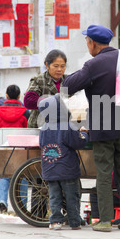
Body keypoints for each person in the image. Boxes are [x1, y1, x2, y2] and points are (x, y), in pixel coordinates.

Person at [62, 24, 120, 232]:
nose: (87, 46)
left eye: (87, 42)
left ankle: (105, 220)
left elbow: (67, 87)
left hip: (104, 127)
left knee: (104, 172)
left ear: (93, 43)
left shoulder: (93, 64)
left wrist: (81, 72)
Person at [38, 94, 89, 230]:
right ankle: (74, 221)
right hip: (68, 169)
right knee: (72, 196)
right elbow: (78, 142)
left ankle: (55, 221)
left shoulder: (43, 128)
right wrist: (84, 134)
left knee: (54, 196)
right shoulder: (68, 126)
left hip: (50, 169)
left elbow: (41, 145)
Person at [0, 85, 30, 213]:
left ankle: (2, 201)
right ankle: (22, 205)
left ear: (6, 96)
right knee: (23, 175)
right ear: (19, 96)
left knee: (5, 175)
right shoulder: (25, 111)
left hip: (4, 148)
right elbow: (28, 129)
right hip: (20, 148)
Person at [24, 49, 67, 128]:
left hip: (62, 125)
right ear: (47, 65)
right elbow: (28, 100)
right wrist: (52, 102)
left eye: (63, 66)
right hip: (39, 125)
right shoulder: (39, 80)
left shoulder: (68, 80)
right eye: (56, 66)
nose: (59, 69)